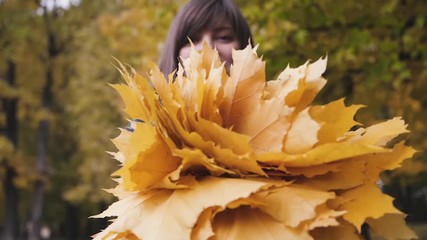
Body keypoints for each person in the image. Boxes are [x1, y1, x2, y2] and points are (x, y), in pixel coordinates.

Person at [158, 0, 254, 76]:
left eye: (223, 37)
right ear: (175, 52)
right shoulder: (148, 100)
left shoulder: (267, 100)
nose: (207, 48)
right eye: (191, 40)